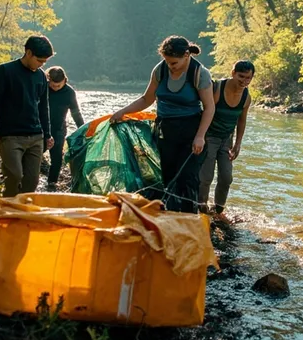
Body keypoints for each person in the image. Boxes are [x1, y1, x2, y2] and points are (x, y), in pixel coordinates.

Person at [110, 35, 215, 213]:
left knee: (187, 177)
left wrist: (200, 137)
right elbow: (146, 99)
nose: (170, 66)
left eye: (173, 63)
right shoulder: (160, 70)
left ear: (186, 56)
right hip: (165, 129)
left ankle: (189, 216)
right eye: (166, 61)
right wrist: (122, 112)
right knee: (169, 175)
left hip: (192, 130)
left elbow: (209, 107)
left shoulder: (199, 73)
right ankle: (170, 214)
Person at [0, 35, 54, 197]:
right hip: (10, 135)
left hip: (35, 136)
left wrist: (48, 134)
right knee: (14, 175)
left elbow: (44, 108)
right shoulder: (5, 71)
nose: (42, 64)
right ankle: (7, 204)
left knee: (32, 181)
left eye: (44, 62)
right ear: (28, 53)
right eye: (39, 60)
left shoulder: (41, 76)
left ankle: (22, 212)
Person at [199, 60, 254, 216]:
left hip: (226, 140)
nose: (244, 81)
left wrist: (238, 144)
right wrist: (200, 136)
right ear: (233, 73)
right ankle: (201, 208)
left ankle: (218, 210)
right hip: (209, 137)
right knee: (206, 176)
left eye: (248, 78)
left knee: (226, 177)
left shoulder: (246, 97)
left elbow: (242, 120)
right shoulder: (218, 88)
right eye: (241, 76)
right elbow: (206, 111)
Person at [46, 66, 85, 191]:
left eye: (58, 86)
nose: (55, 88)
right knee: (33, 155)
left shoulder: (69, 92)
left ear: (65, 81)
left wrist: (83, 129)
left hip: (59, 128)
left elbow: (75, 113)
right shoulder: (43, 88)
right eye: (53, 85)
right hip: (40, 127)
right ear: (48, 80)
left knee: (56, 157)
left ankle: (52, 182)